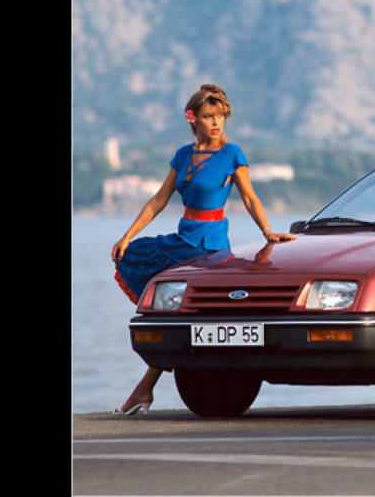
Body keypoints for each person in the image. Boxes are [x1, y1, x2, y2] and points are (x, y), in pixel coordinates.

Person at [111, 83, 295, 415]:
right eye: (209, 116)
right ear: (193, 119)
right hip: (184, 238)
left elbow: (250, 198)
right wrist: (126, 236)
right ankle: (144, 389)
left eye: (220, 116)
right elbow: (159, 200)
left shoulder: (232, 154)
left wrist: (268, 232)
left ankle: (143, 390)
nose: (216, 123)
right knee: (135, 257)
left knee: (175, 310)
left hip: (209, 245)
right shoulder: (183, 155)